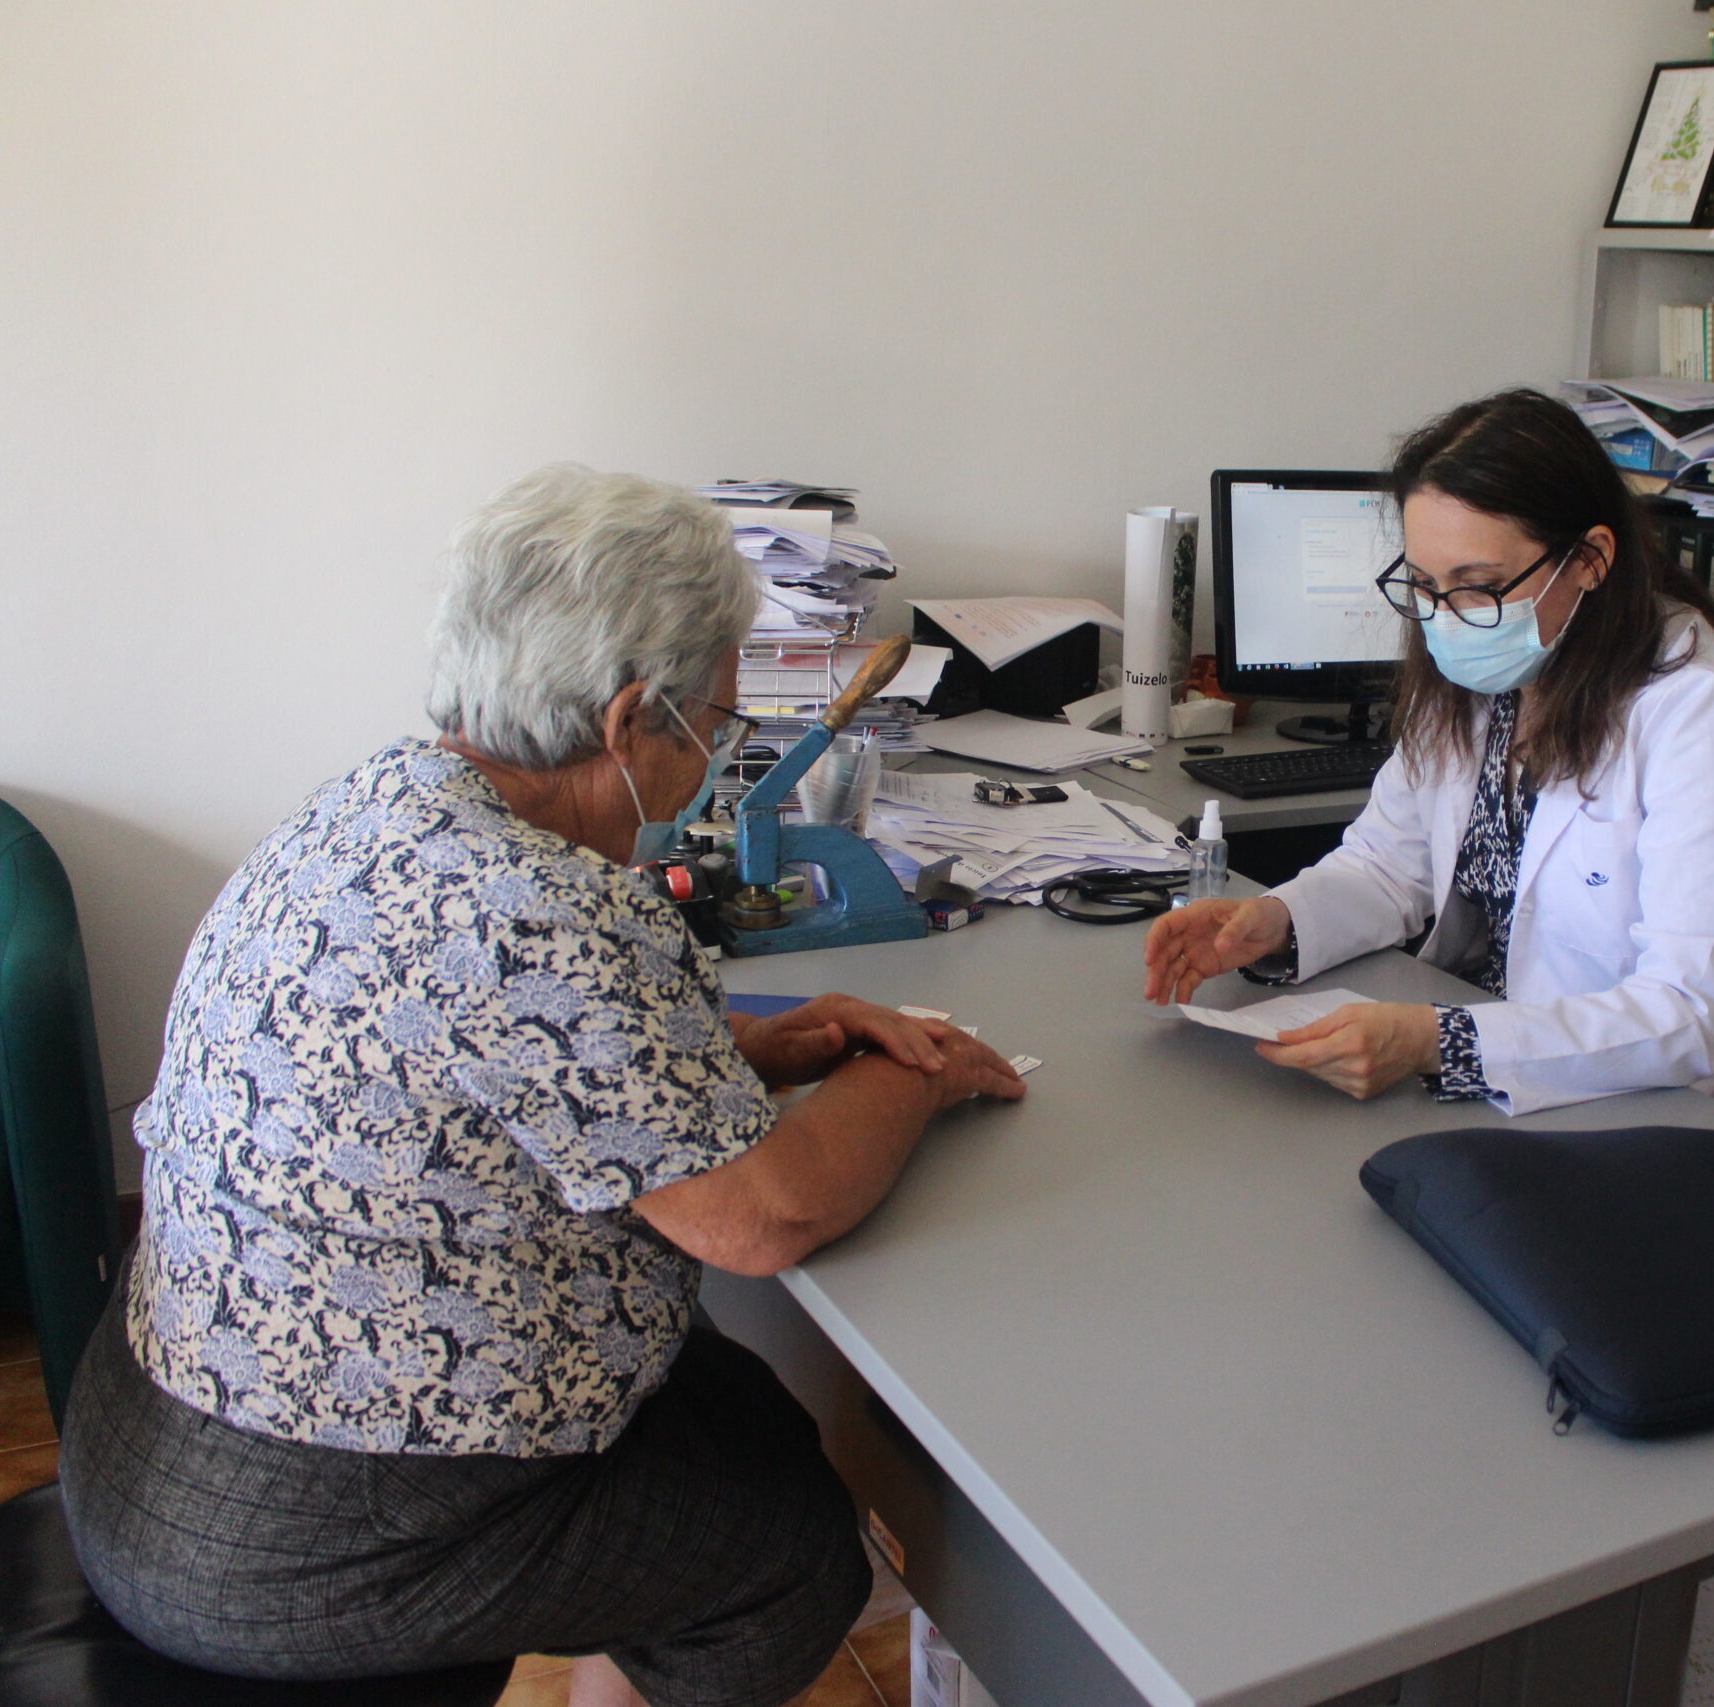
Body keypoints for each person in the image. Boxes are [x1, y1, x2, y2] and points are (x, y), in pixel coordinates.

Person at [59, 465, 1027, 1707]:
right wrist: (920, 1066)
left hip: (168, 1434)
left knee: (735, 1413)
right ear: (632, 723)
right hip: (300, 1531)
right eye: (714, 728)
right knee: (781, 1550)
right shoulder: (540, 907)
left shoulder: (379, 805)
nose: (712, 762)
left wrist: (756, 1043)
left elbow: (494, 1051)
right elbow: (763, 1216)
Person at [1145, 389, 1714, 1151]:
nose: (1445, 615)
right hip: (1506, 1066)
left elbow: (1682, 1012)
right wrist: (1279, 921)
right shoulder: (1478, 678)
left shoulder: (1702, 711)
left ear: (1589, 561)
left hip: (1697, 1101)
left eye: (1478, 585)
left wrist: (1433, 1041)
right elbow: (1389, 866)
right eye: (1423, 584)